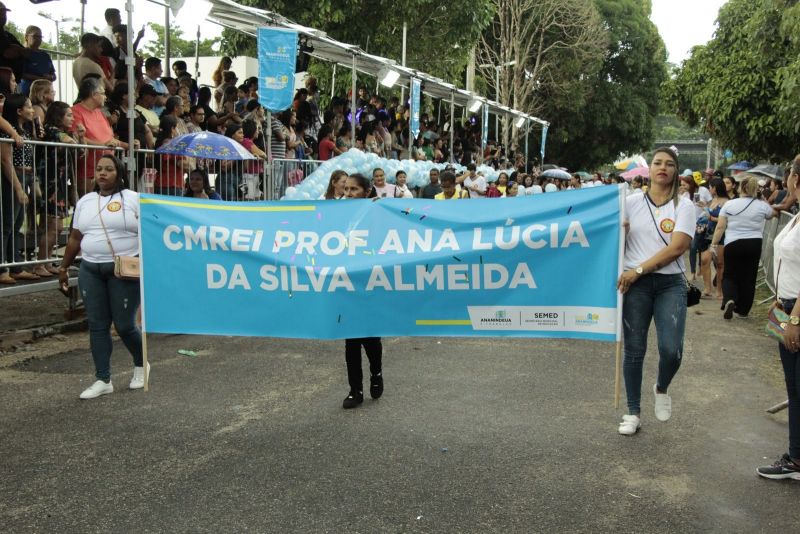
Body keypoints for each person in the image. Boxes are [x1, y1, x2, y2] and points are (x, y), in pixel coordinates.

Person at [616, 147, 693, 436]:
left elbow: (678, 248)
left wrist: (638, 269)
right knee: (634, 350)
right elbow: (613, 243)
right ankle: (633, 411)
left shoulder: (684, 206)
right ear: (648, 170)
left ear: (676, 171)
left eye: (669, 164)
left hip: (669, 284)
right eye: (657, 163)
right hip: (635, 286)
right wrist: (618, 230)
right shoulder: (629, 202)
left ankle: (661, 387)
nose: (663, 167)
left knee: (671, 350)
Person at [57, 154, 144, 399]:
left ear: (120, 173)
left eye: (108, 169)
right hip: (90, 269)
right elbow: (75, 237)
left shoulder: (133, 199)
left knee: (125, 325)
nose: (102, 173)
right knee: (97, 325)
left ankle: (141, 365)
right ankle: (103, 379)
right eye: (98, 169)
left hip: (123, 270)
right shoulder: (85, 201)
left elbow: (150, 230)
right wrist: (63, 268)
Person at [757, 161, 800, 480]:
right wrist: (779, 303)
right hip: (783, 305)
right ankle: (796, 457)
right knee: (793, 387)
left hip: (796, 311)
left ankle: (796, 458)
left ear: (794, 178)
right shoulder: (796, 215)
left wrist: (795, 318)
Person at [340, 172, 383, 409]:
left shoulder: (377, 212)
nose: (348, 194)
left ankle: (376, 374)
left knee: (371, 336)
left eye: (354, 189)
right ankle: (354, 389)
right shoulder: (337, 214)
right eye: (345, 189)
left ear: (366, 192)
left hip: (370, 279)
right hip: (346, 280)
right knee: (351, 339)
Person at [709, 176, 775, 319]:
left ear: (740, 188)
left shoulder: (730, 205)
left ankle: (730, 299)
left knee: (730, 274)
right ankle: (743, 309)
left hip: (733, 243)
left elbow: (720, 227)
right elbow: (772, 214)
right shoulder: (761, 205)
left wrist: (714, 244)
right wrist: (762, 199)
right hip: (754, 243)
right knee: (749, 277)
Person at [34, 101, 83, 278]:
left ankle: (46, 262)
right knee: (53, 226)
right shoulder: (52, 131)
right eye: (68, 115)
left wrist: (80, 136)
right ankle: (40, 264)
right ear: (58, 116)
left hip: (60, 183)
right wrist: (75, 137)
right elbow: (70, 143)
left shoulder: (59, 132)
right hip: (51, 183)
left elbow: (78, 151)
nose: (72, 118)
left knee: (56, 226)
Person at [71, 77, 127, 197]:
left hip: (108, 169)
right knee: (88, 206)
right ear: (94, 94)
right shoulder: (75, 111)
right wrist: (104, 145)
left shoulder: (100, 113)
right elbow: (78, 138)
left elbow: (109, 139)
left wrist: (128, 145)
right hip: (88, 170)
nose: (105, 97)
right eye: (103, 93)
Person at [0, 93, 33, 284]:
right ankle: (3, 267)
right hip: (14, 176)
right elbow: (6, 160)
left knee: (17, 222)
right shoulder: (8, 131)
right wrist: (19, 188)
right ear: (19, 111)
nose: (32, 110)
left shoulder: (24, 130)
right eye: (28, 107)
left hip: (25, 176)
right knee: (7, 223)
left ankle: (16, 265)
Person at [699, 178, 727, 298]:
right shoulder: (712, 200)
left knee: (720, 263)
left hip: (721, 235)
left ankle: (719, 290)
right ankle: (707, 288)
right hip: (708, 233)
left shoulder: (727, 202)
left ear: (715, 187)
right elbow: (708, 214)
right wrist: (704, 208)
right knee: (705, 260)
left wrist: (712, 218)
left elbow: (725, 221)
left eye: (710, 187)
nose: (709, 189)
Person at [19, 26, 55, 96]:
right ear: (26, 37)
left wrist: (51, 77)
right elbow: (21, 74)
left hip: (45, 93)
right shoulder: (23, 54)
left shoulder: (45, 55)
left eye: (40, 37)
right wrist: (40, 79)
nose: (38, 39)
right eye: (35, 36)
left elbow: (53, 74)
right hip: (28, 92)